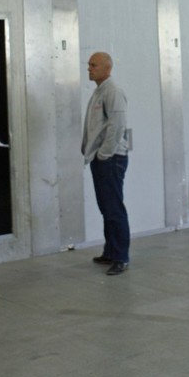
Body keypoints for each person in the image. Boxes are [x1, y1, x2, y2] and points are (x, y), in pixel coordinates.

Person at [81, 51, 130, 276]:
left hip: (110, 160)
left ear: (107, 68)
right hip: (101, 159)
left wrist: (104, 155)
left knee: (114, 209)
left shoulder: (113, 92)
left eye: (94, 65)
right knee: (106, 208)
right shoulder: (99, 92)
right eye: (89, 65)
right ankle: (110, 252)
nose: (89, 69)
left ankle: (121, 257)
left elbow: (117, 126)